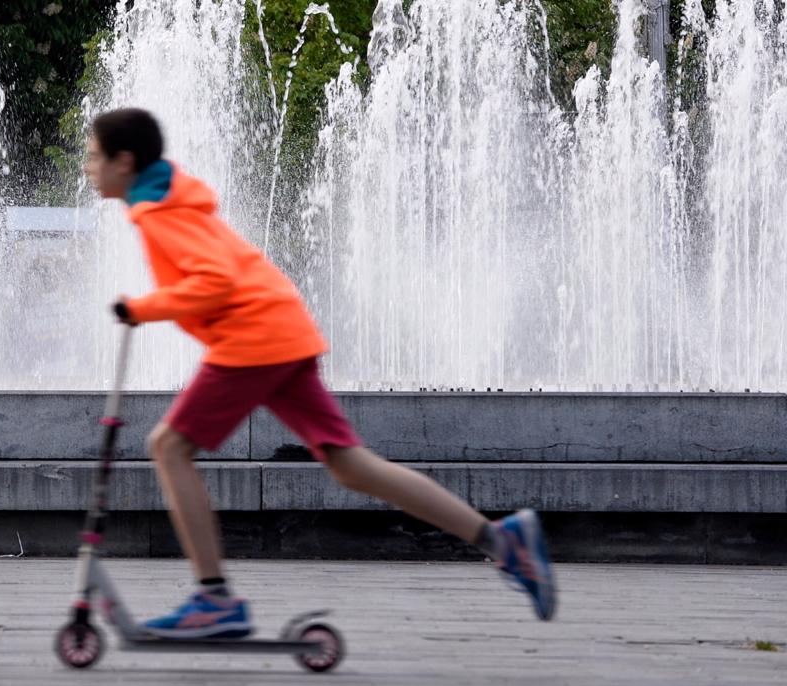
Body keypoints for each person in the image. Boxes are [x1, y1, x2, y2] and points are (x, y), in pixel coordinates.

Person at [82, 107, 556, 639]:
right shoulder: (167, 202)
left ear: (125, 162)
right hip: (280, 326)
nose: (87, 167)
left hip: (253, 336)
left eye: (95, 156)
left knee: (168, 446)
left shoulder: (159, 211)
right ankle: (500, 540)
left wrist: (143, 308)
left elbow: (214, 281)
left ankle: (214, 599)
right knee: (350, 464)